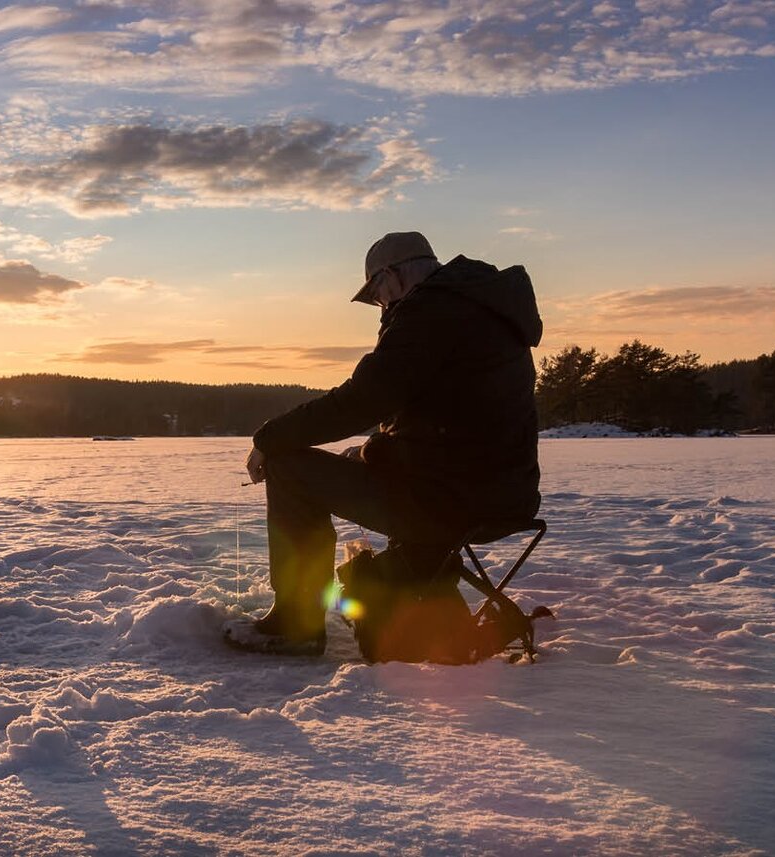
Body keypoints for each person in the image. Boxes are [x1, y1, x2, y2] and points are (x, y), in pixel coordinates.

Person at [225, 231, 543, 656]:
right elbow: (449, 421)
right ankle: (407, 600)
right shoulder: (484, 310)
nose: (380, 305)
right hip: (502, 497)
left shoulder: (429, 312)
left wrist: (270, 437)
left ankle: (296, 625)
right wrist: (372, 452)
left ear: (391, 277)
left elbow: (362, 400)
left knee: (290, 468)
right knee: (353, 463)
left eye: (376, 293)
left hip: (446, 502)